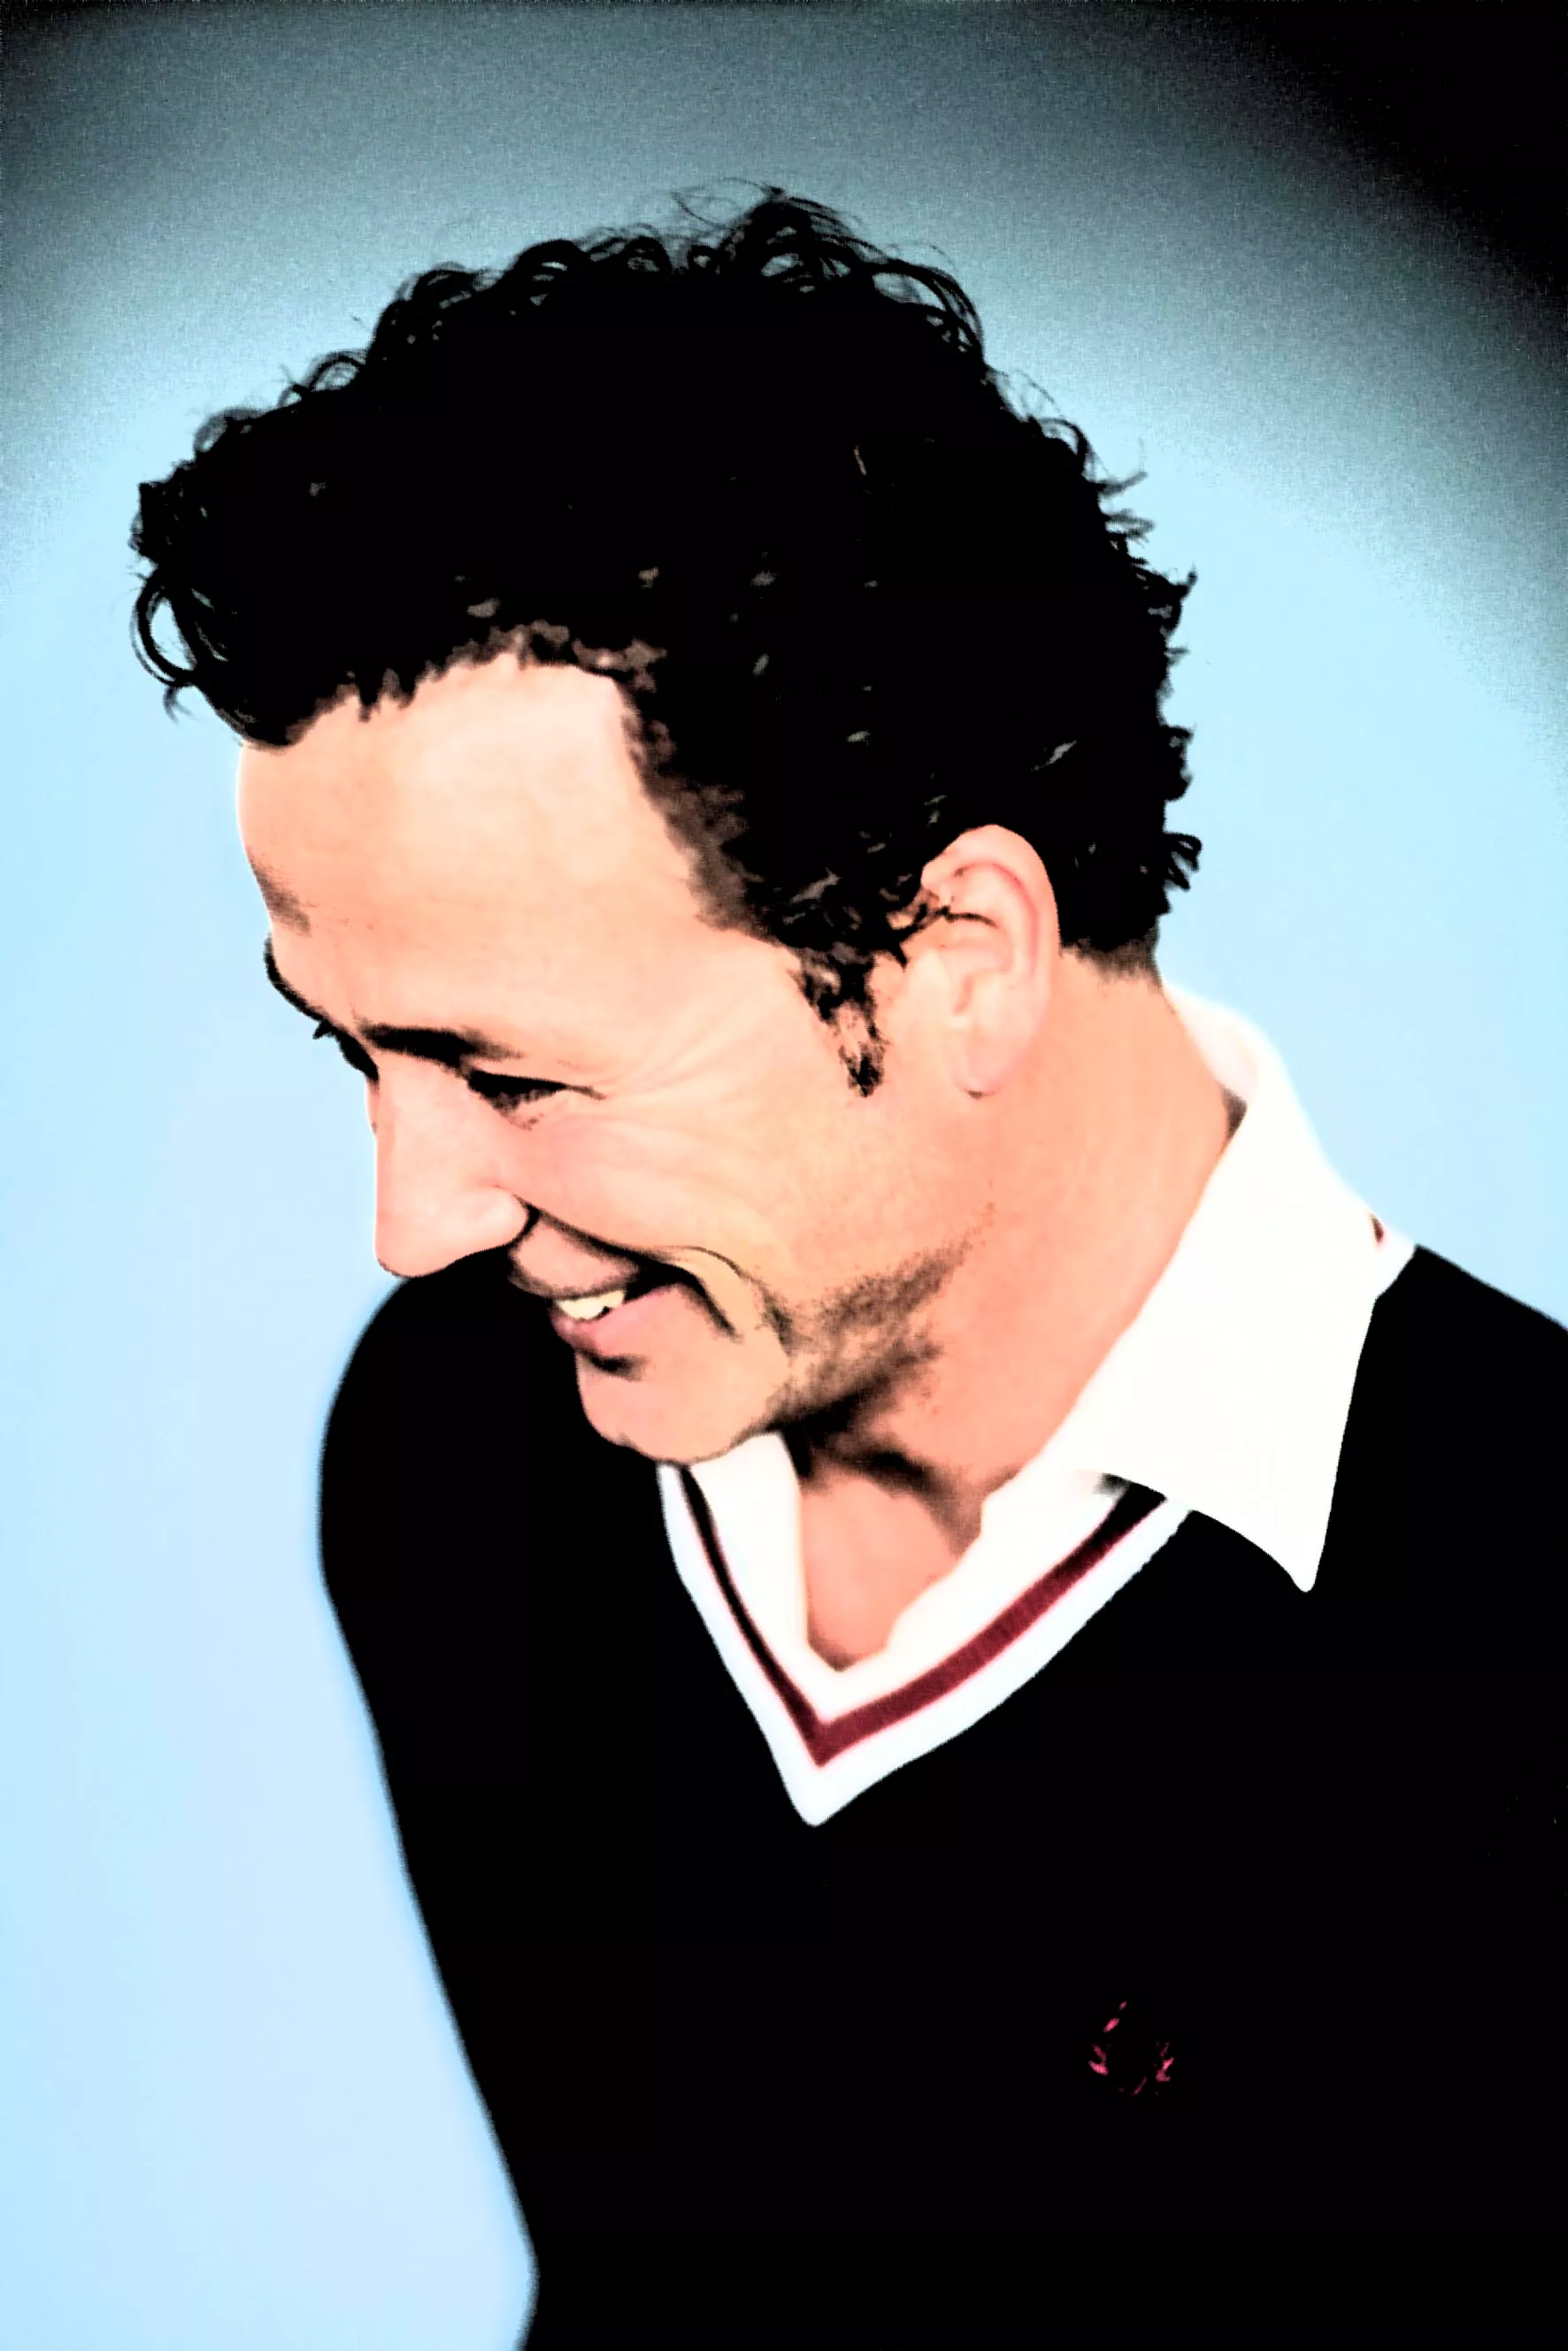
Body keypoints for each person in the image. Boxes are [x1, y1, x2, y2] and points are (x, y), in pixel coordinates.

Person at [130, 191, 1561, 2339]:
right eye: (353, 1053)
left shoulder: (1519, 1630)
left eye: (509, 1074)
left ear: (959, 951)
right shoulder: (452, 1449)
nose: (411, 1224)